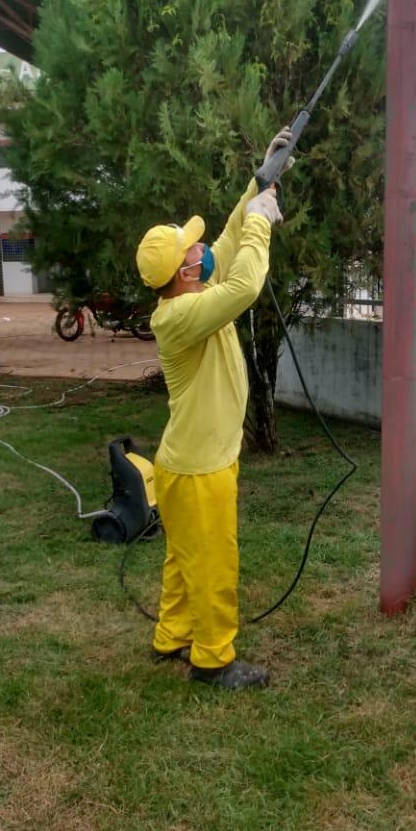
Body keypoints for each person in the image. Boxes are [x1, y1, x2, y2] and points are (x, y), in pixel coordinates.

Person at [135, 130, 292, 690]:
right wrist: (262, 220)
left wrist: (264, 172)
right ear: (183, 272)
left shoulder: (189, 290)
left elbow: (226, 238)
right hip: (198, 470)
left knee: (182, 562)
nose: (202, 249)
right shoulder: (180, 316)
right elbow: (247, 281)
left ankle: (170, 636)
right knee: (214, 565)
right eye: (193, 249)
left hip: (188, 464)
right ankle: (213, 660)